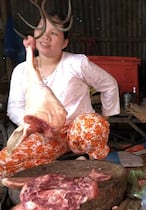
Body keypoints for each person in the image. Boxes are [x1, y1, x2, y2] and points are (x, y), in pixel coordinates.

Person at [0, 12, 120, 179]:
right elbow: (14, 107)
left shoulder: (77, 63)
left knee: (93, 126)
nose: (45, 36)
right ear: (34, 35)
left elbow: (109, 84)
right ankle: (56, 169)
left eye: (54, 33)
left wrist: (104, 119)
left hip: (76, 130)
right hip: (44, 135)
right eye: (41, 29)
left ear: (65, 42)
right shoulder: (21, 70)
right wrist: (36, 127)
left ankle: (88, 160)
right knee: (5, 163)